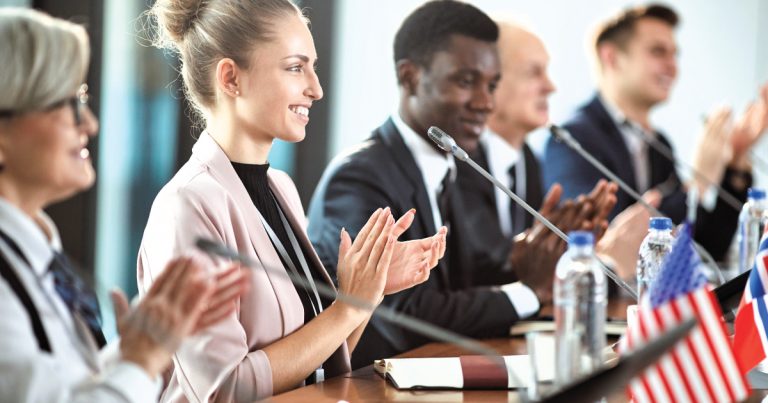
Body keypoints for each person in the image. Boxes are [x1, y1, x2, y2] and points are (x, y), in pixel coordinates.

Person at [138, 0, 446, 401]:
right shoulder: (187, 206)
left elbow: (316, 367)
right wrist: (348, 308)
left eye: (313, 68)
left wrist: (366, 293)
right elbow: (225, 390)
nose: (316, 89)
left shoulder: (280, 187)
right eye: (296, 67)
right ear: (231, 78)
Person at [307, 0, 615, 369]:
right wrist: (527, 291)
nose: (486, 103)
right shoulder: (361, 176)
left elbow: (463, 283)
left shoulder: (448, 165)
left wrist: (541, 257)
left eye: (493, 85)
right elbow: (400, 313)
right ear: (410, 77)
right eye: (466, 82)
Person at [0, 8, 249, 402]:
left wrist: (143, 348)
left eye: (82, 98)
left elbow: (58, 388)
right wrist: (141, 359)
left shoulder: (37, 254)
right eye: (65, 103)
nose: (90, 125)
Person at [543, 4, 768, 261]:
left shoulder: (659, 144)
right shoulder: (573, 139)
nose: (672, 66)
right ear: (611, 57)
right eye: (658, 52)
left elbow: (707, 245)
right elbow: (607, 244)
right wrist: (698, 183)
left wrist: (736, 162)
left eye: (675, 55)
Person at [458, 20, 657, 278]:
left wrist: (575, 244)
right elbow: (495, 269)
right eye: (533, 72)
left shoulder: (527, 160)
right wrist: (607, 263)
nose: (551, 87)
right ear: (488, 80)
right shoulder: (458, 159)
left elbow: (533, 265)